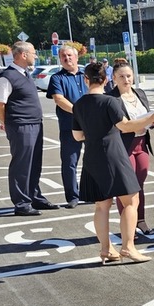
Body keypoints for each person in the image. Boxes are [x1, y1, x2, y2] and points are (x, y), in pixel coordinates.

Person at [72, 61, 154, 264]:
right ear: (106, 80)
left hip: (91, 157)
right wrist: (152, 117)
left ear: (85, 79)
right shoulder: (109, 102)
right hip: (113, 155)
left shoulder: (78, 104)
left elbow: (77, 136)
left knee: (102, 206)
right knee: (131, 201)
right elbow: (125, 127)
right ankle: (128, 247)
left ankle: (106, 250)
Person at [0, 41, 59, 216]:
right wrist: (7, 122)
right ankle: (21, 204)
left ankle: (35, 197)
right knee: (22, 165)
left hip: (35, 123)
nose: (35, 56)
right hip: (21, 125)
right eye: (33, 52)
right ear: (23, 55)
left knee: (34, 164)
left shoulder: (25, 74)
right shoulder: (7, 76)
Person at [106, 61, 154, 236]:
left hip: (142, 144)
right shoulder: (111, 98)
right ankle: (127, 226)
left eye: (128, 76)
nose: (126, 79)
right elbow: (118, 125)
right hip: (123, 146)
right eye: (121, 76)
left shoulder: (140, 93)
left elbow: (147, 117)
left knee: (139, 185)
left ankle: (141, 220)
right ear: (114, 78)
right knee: (126, 188)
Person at [46, 44, 87, 208]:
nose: (67, 58)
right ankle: (72, 196)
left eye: (70, 55)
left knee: (94, 160)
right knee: (69, 162)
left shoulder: (87, 75)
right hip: (69, 126)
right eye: (63, 56)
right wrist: (79, 114)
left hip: (91, 126)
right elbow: (59, 99)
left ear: (77, 57)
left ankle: (92, 192)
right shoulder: (57, 78)